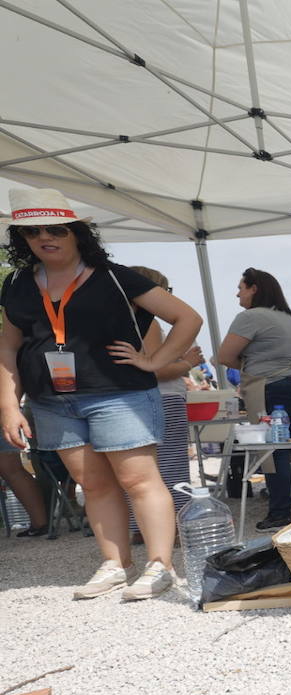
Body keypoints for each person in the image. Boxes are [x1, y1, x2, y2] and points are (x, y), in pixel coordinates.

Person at [0, 188, 203, 599]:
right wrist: (8, 404)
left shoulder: (114, 275)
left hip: (118, 393)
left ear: (77, 233)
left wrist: (153, 361)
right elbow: (8, 345)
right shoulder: (18, 281)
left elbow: (187, 318)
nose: (44, 237)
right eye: (32, 231)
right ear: (21, 239)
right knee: (91, 483)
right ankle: (116, 563)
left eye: (55, 228)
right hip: (51, 398)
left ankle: (160, 565)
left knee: (138, 479)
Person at [215, 268, 291, 530]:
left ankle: (280, 513)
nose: (237, 293)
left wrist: (253, 365)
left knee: (273, 452)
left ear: (254, 288)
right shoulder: (289, 319)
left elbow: (225, 356)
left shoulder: (249, 317)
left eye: (241, 287)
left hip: (272, 387)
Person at [126, 266, 199, 538]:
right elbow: (154, 369)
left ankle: (139, 526)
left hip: (135, 400)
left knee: (139, 468)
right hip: (164, 397)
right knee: (171, 466)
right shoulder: (149, 323)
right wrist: (186, 363)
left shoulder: (118, 321)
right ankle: (175, 528)